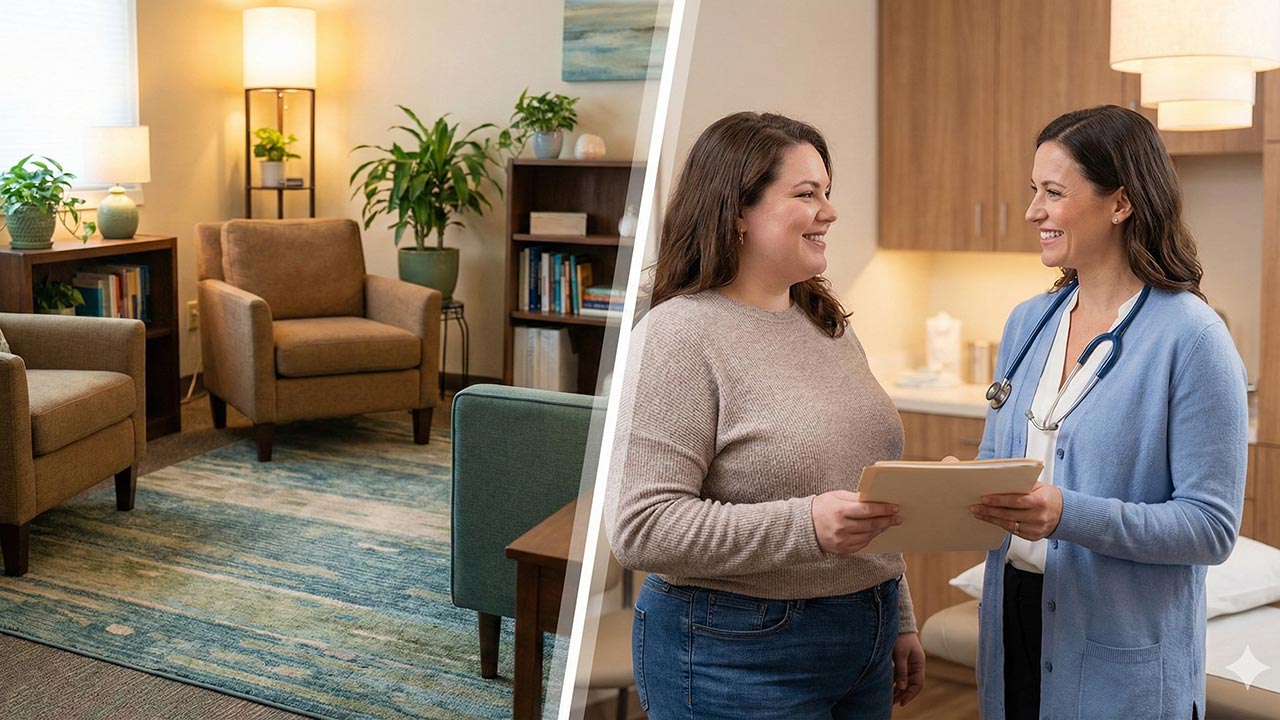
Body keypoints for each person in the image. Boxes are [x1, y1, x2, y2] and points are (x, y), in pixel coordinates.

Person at [604, 111, 925, 720]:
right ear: (736, 214)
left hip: (867, 633)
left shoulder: (824, 323)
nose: (829, 211)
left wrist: (897, 613)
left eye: (827, 192)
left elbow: (862, 494)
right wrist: (806, 527)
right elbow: (641, 527)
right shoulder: (677, 336)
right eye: (806, 194)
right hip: (736, 653)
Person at [969, 105, 1249, 720]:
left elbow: (1209, 528)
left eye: (1053, 192)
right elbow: (997, 465)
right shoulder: (1027, 323)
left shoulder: (1191, 339)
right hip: (1014, 614)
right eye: (1032, 191)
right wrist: (957, 490)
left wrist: (1066, 513)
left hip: (1116, 646)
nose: (1032, 211)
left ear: (1120, 203)